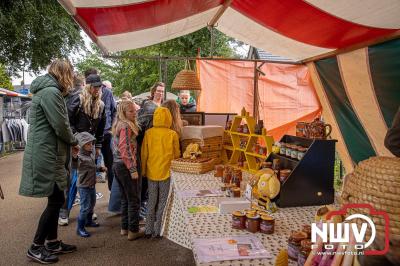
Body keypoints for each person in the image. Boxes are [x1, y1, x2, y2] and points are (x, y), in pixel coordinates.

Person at [19, 59, 78, 264]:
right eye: (70, 72)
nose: (72, 77)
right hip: (47, 153)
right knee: (55, 201)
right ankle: (36, 247)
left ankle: (52, 242)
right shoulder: (51, 92)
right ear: (63, 73)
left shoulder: (48, 90)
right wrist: (74, 140)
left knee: (56, 198)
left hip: (48, 151)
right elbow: (60, 124)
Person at [58, 73, 106, 225]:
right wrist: (74, 142)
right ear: (88, 86)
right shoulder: (77, 99)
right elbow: (67, 121)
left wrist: (97, 146)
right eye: (95, 86)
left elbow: (100, 128)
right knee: (73, 179)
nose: (97, 89)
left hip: (90, 146)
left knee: (89, 179)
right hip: (76, 145)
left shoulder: (101, 104)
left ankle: (87, 210)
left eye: (99, 86)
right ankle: (64, 212)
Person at [141, 107, 180, 238]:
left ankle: (148, 230)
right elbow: (176, 154)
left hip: (152, 173)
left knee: (151, 201)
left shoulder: (148, 133)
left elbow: (144, 154)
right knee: (163, 201)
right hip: (167, 173)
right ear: (169, 118)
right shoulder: (172, 134)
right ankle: (159, 230)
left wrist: (143, 170)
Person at [112, 100, 144, 240]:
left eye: (134, 110)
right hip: (125, 166)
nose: (134, 113)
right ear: (123, 112)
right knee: (133, 199)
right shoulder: (126, 126)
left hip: (118, 165)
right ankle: (133, 230)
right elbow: (125, 148)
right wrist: (132, 168)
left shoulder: (119, 124)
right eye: (131, 111)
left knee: (125, 198)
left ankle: (124, 228)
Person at [137, 82, 165, 219]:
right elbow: (140, 125)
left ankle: (149, 205)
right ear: (153, 91)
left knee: (153, 175)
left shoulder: (163, 106)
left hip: (159, 145)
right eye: (158, 90)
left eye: (162, 91)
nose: (160, 93)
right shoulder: (148, 105)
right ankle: (142, 205)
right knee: (146, 175)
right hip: (148, 142)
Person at [74, 132, 106, 237]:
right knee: (85, 207)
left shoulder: (90, 154)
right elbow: (74, 165)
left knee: (92, 203)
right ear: (81, 145)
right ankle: (80, 228)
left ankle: (88, 221)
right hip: (83, 186)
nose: (91, 146)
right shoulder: (79, 158)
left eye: (91, 143)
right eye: (87, 144)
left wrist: (100, 168)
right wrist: (74, 156)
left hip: (91, 184)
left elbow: (93, 166)